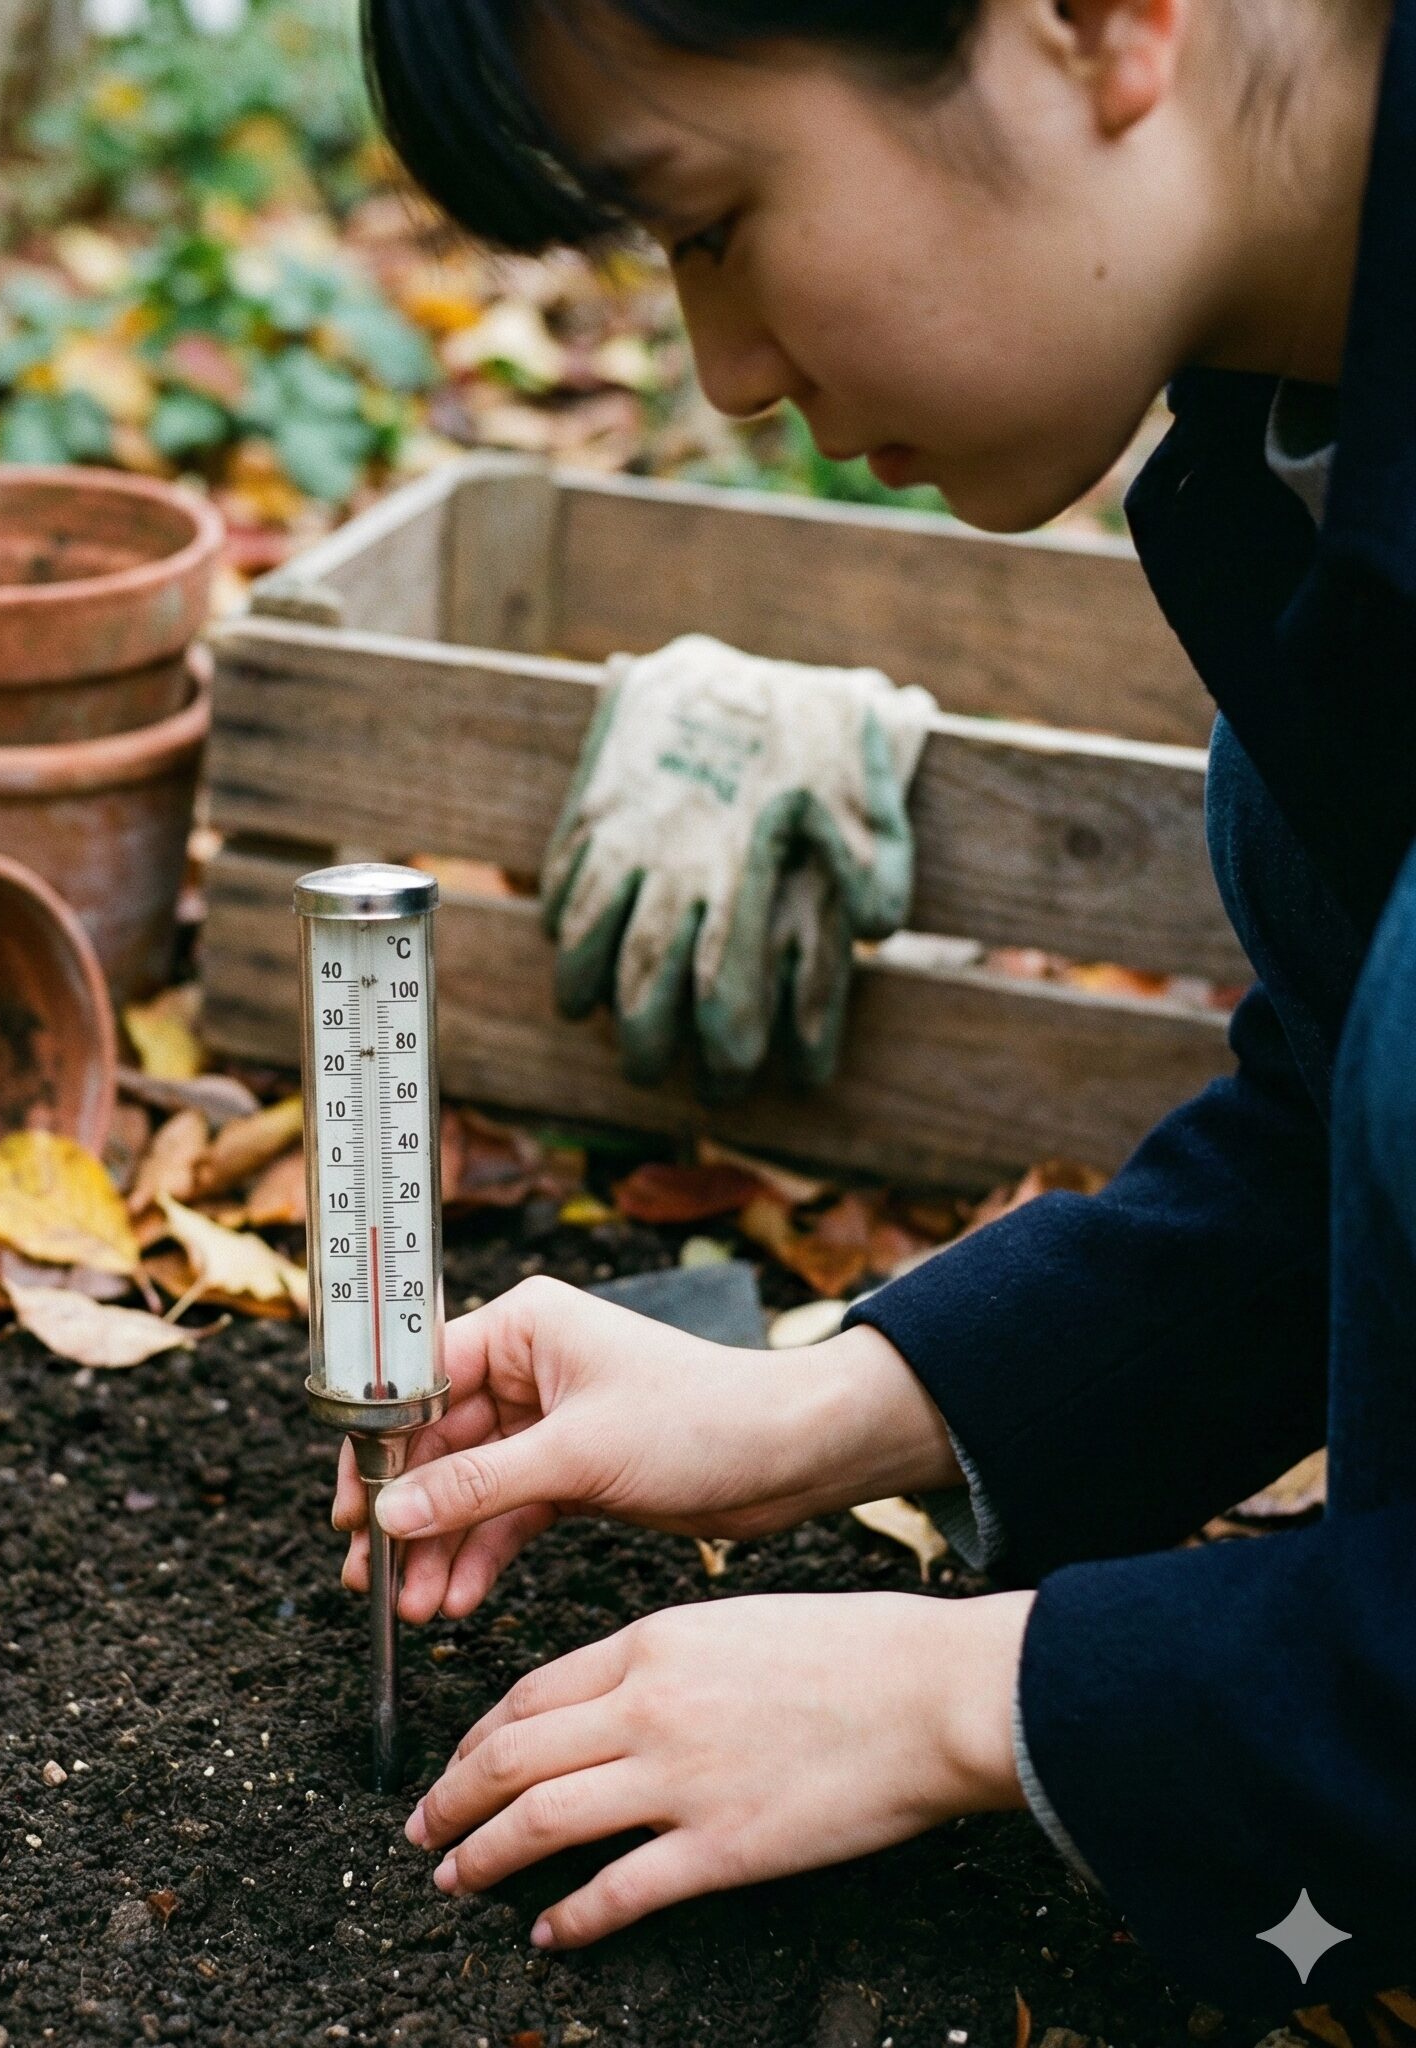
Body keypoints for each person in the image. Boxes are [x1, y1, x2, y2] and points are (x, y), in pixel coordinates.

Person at [329, 0, 1416, 2008]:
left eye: (712, 221)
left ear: (1093, 24)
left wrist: (964, 1696)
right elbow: (1356, 1129)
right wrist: (832, 1400)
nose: (723, 373)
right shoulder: (1295, 436)